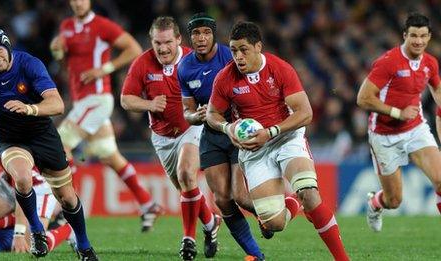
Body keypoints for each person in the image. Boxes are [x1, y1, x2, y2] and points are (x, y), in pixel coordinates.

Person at [207, 21, 349, 260]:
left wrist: (270, 132)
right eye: (233, 50)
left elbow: (305, 113)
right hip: (254, 149)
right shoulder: (225, 78)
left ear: (258, 47)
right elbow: (212, 114)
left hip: (286, 137)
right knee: (275, 223)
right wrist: (227, 127)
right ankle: (291, 205)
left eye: (244, 50)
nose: (238, 56)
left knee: (310, 193)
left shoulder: (280, 69)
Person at [0, 27, 97, 260]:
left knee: (68, 198)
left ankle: (84, 245)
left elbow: (57, 105)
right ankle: (38, 230)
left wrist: (30, 108)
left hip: (42, 136)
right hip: (10, 139)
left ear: (8, 48)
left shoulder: (29, 64)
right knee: (22, 177)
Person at [50, 0, 162, 231]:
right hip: (82, 100)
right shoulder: (67, 26)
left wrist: (105, 69)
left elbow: (133, 48)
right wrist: (57, 50)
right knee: (109, 155)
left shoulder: (102, 25)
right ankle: (148, 202)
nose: (78, 3)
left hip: (98, 99)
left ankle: (66, 207)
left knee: (60, 144)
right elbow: (64, 61)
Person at [120, 16, 221, 261]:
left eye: (167, 42)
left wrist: (207, 108)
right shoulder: (143, 63)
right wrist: (149, 103)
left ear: (178, 40)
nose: (163, 48)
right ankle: (211, 224)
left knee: (187, 174)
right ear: (151, 42)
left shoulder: (193, 60)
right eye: (157, 43)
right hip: (162, 137)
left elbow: (216, 86)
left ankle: (188, 240)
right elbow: (126, 99)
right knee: (188, 189)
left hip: (192, 128)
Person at [178, 13, 270, 261]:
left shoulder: (231, 57)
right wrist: (196, 116)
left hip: (238, 132)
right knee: (223, 199)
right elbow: (186, 111)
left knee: (241, 196)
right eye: (196, 34)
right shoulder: (185, 67)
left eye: (206, 33)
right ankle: (255, 254)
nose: (201, 38)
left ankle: (267, 214)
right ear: (190, 37)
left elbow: (250, 87)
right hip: (211, 133)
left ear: (213, 35)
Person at [357, 13, 441, 232]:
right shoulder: (388, 62)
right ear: (405, 35)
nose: (418, 41)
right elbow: (363, 98)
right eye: (413, 35)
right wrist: (397, 112)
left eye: (423, 36)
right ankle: (375, 203)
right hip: (384, 135)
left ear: (429, 37)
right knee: (394, 201)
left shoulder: (430, 63)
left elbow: (437, 89)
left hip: (416, 129)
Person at [0, 108, 74, 253]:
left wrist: (19, 233)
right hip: (9, 182)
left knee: (31, 248)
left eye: (0, 125)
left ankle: (67, 229)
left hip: (39, 188)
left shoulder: (15, 143)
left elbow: (25, 190)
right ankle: (9, 223)